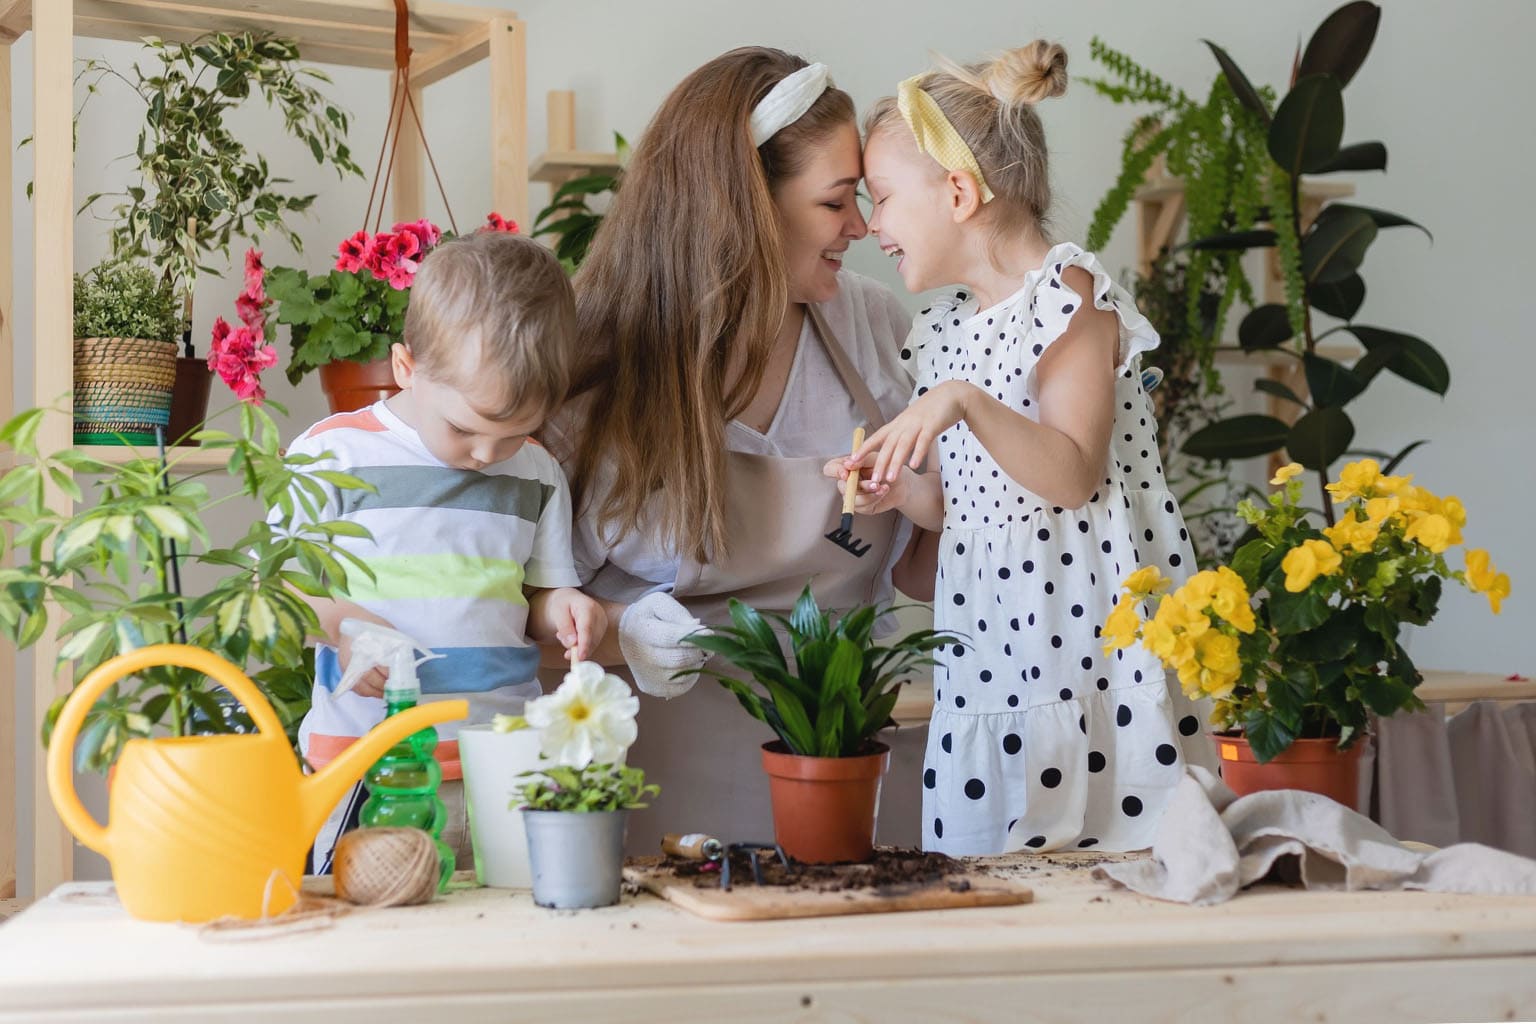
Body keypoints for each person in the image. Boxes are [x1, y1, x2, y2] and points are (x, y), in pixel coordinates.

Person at [831, 42, 1218, 855]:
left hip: (1086, 645)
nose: (871, 227)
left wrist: (962, 403)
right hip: (996, 650)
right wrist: (900, 493)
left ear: (960, 192)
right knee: (997, 853)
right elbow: (972, 501)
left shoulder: (1070, 296)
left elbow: (1071, 475)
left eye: (885, 199)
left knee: (1108, 847)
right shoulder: (945, 332)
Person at [543, 47, 929, 847]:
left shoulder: (873, 326)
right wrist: (622, 627)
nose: (861, 226)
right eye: (836, 202)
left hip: (840, 765)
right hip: (646, 776)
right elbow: (507, 596)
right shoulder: (590, 359)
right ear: (746, 205)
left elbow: (923, 558)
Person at [277, 231, 605, 872]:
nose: (486, 455)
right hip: (368, 767)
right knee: (373, 942)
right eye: (465, 428)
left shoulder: (536, 474)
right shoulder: (333, 455)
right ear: (406, 368)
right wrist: (341, 627)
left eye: (514, 433)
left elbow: (528, 603)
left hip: (498, 761)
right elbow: (279, 593)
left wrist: (563, 606)